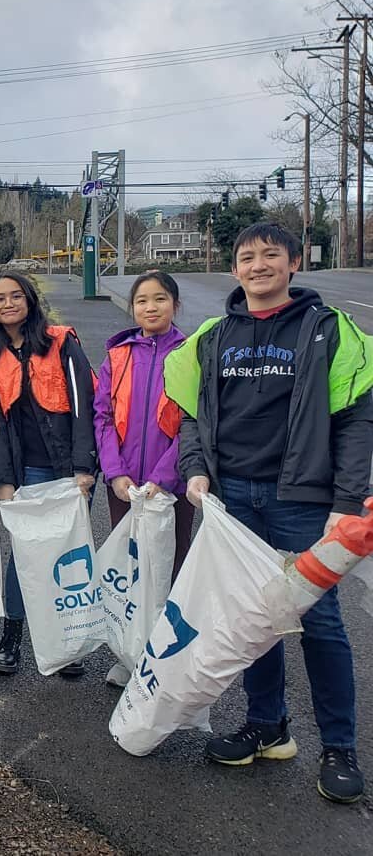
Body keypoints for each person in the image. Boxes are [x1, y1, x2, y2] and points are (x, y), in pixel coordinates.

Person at [165, 222, 373, 804]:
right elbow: (190, 414)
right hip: (234, 495)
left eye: (270, 256)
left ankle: (339, 746)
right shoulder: (211, 336)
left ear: (294, 263)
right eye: (247, 257)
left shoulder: (328, 331)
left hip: (300, 499)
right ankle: (268, 726)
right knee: (256, 621)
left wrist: (346, 502)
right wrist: (196, 468)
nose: (258, 265)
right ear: (234, 269)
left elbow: (356, 421)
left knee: (321, 622)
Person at [0, 271, 97, 677]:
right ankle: (11, 635)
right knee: (25, 557)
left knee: (68, 556)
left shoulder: (62, 342)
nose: (8, 303)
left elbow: (85, 407)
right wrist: (4, 481)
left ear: (29, 300)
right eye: (0, 299)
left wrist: (84, 468)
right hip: (25, 469)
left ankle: (70, 641)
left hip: (68, 469)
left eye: (16, 296)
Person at [93, 270, 194, 688]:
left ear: (174, 304)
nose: (150, 308)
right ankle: (127, 652)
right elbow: (102, 418)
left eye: (159, 299)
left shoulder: (190, 354)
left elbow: (193, 423)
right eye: (142, 301)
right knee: (128, 569)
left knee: (172, 565)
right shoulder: (118, 355)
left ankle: (164, 658)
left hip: (172, 488)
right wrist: (114, 473)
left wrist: (163, 478)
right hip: (125, 487)